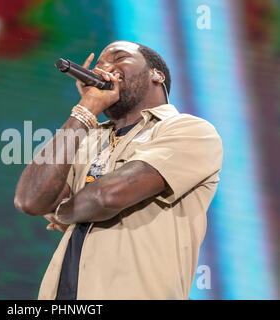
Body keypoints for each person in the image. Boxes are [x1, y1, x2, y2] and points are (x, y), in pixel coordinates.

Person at [14, 41, 223, 299]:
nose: (105, 69)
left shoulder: (189, 130)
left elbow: (108, 196)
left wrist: (61, 212)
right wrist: (85, 111)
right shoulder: (89, 138)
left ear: (156, 74)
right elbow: (31, 199)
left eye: (119, 58)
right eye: (100, 65)